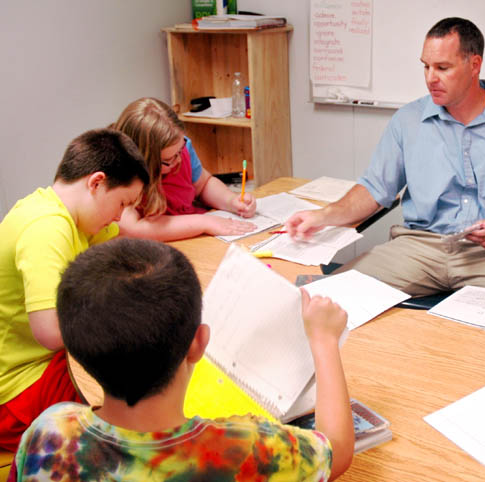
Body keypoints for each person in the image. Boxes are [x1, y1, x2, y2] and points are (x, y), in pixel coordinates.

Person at [13, 238, 354, 480]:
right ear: (199, 343)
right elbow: (336, 451)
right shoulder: (244, 450)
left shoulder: (47, 433)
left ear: (75, 347)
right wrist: (324, 340)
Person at [286, 17, 485, 296]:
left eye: (443, 68)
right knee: (327, 298)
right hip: (417, 248)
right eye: (426, 67)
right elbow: (375, 189)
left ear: (474, 65)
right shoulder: (408, 120)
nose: (430, 78)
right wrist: (323, 216)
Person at [0, 128, 149, 452]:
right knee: (132, 401)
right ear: (96, 182)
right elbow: (52, 333)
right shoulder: (46, 227)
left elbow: (122, 243)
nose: (119, 215)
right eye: (122, 202)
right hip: (16, 388)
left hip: (42, 363)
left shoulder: (70, 217)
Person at [113, 97, 258, 241]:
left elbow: (204, 184)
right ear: (143, 161)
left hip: (196, 236)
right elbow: (132, 229)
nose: (179, 160)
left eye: (180, 149)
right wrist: (204, 223)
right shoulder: (123, 173)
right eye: (168, 160)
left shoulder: (182, 150)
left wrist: (230, 200)